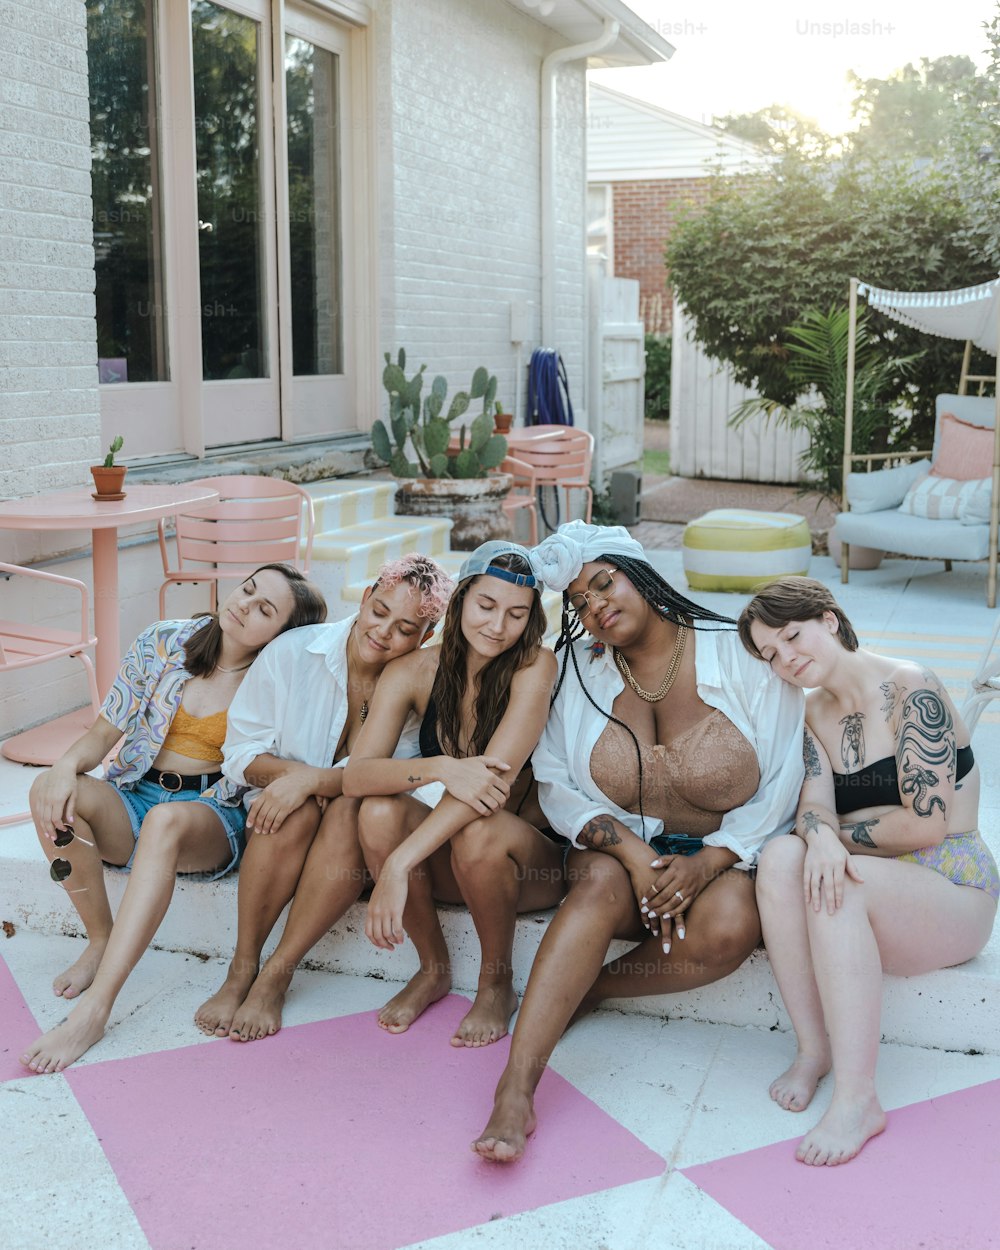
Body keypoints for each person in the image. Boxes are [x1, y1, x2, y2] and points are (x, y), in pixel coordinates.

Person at [473, 521, 805, 1162]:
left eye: (604, 582)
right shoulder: (579, 673)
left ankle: (589, 989)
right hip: (623, 859)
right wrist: (629, 852)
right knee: (595, 881)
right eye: (579, 602)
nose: (596, 605)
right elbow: (557, 782)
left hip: (726, 852)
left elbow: (787, 773)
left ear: (642, 573)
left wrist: (710, 861)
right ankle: (515, 1088)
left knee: (732, 922)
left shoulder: (734, 653)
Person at [19, 564, 328, 1073]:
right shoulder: (164, 641)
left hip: (212, 814)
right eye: (247, 590)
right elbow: (102, 735)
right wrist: (61, 769)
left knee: (166, 824)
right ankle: (100, 940)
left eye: (264, 610)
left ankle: (96, 1011)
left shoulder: (279, 678)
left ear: (283, 634)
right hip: (135, 795)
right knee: (50, 791)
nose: (244, 606)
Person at [737, 576, 997, 1166]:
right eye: (771, 655)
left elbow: (925, 825)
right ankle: (813, 1050)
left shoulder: (911, 687)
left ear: (829, 619)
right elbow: (812, 807)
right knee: (780, 860)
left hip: (952, 886)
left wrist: (835, 841)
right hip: (883, 885)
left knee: (837, 879)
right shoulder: (811, 716)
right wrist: (820, 835)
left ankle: (858, 1100)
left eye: (792, 636)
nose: (787, 658)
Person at [193, 553, 453, 1042]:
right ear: (366, 596)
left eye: (404, 629)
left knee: (347, 807)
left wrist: (314, 782)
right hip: (282, 822)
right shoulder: (294, 651)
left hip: (353, 837)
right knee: (287, 807)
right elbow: (239, 753)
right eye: (379, 612)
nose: (382, 632)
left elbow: (391, 777)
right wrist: (300, 781)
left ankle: (277, 974)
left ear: (425, 637)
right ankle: (241, 967)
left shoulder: (417, 686)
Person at [343, 540, 566, 1048]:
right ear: (462, 598)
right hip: (450, 863)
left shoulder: (536, 667)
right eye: (486, 606)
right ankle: (432, 968)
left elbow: (494, 786)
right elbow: (357, 777)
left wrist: (399, 864)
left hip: (525, 866)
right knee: (376, 811)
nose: (497, 626)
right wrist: (442, 766)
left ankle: (496, 983)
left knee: (481, 830)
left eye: (516, 614)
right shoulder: (414, 671)